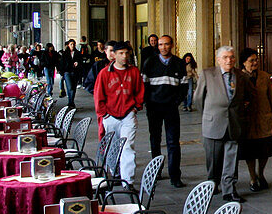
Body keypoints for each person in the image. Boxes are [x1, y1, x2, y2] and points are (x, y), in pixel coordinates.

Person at [192, 46, 250, 203]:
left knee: (232, 158)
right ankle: (212, 184)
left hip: (234, 123)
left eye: (231, 57)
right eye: (225, 57)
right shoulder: (207, 74)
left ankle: (229, 189)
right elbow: (198, 99)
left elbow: (245, 97)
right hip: (213, 123)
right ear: (218, 60)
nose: (228, 60)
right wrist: (209, 114)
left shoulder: (240, 75)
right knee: (213, 158)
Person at [93, 41, 144, 185]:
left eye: (126, 53)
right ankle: (114, 173)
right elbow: (98, 95)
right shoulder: (104, 73)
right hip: (110, 116)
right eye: (121, 53)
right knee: (113, 147)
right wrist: (104, 114)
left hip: (128, 114)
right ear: (114, 55)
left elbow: (139, 90)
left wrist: (135, 108)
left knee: (128, 147)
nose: (124, 56)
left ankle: (128, 181)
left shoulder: (133, 71)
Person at [142, 35, 188, 187]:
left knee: (173, 142)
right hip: (154, 107)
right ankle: (156, 172)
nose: (163, 47)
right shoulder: (150, 62)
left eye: (166, 44)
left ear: (172, 45)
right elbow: (144, 85)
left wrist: (176, 101)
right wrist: (148, 102)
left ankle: (175, 176)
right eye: (160, 44)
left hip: (171, 108)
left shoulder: (179, 63)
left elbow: (184, 86)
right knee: (155, 140)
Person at [238, 48, 272, 192]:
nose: (255, 62)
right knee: (250, 150)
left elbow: (271, 98)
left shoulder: (264, 76)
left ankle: (261, 173)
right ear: (244, 63)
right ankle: (252, 177)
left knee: (264, 149)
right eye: (252, 61)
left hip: (264, 118)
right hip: (248, 120)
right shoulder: (239, 77)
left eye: (256, 60)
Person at [57, 39, 83, 106]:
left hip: (75, 72)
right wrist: (62, 72)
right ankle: (70, 102)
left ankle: (71, 101)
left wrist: (78, 64)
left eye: (74, 44)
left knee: (73, 88)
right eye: (71, 44)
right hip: (67, 72)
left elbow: (81, 62)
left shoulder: (78, 53)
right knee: (70, 87)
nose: (72, 45)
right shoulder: (65, 54)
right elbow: (62, 63)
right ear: (68, 45)